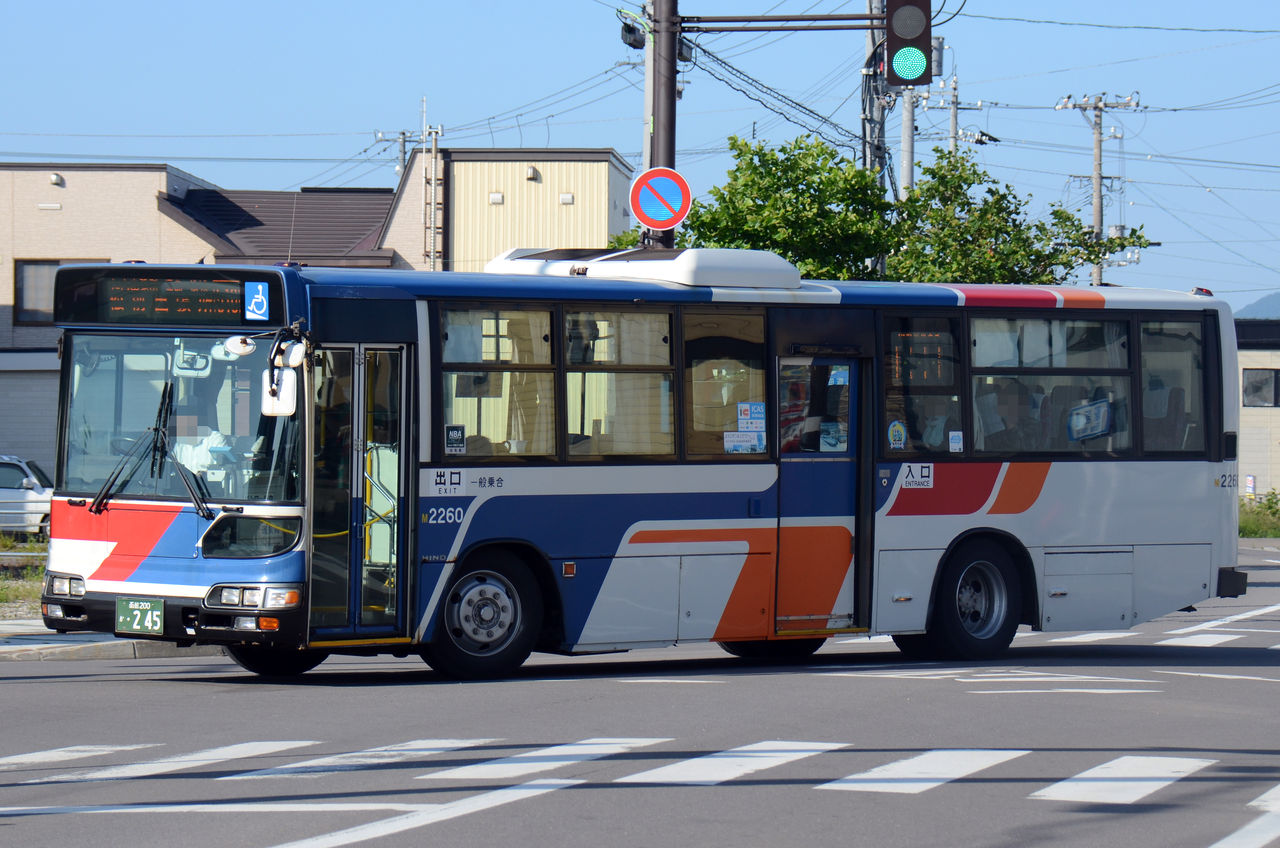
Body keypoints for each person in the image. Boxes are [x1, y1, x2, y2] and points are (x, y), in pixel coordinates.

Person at [984, 381, 1039, 452]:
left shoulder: (1032, 424)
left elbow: (1023, 448)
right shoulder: (996, 420)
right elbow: (985, 446)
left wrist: (1010, 422)